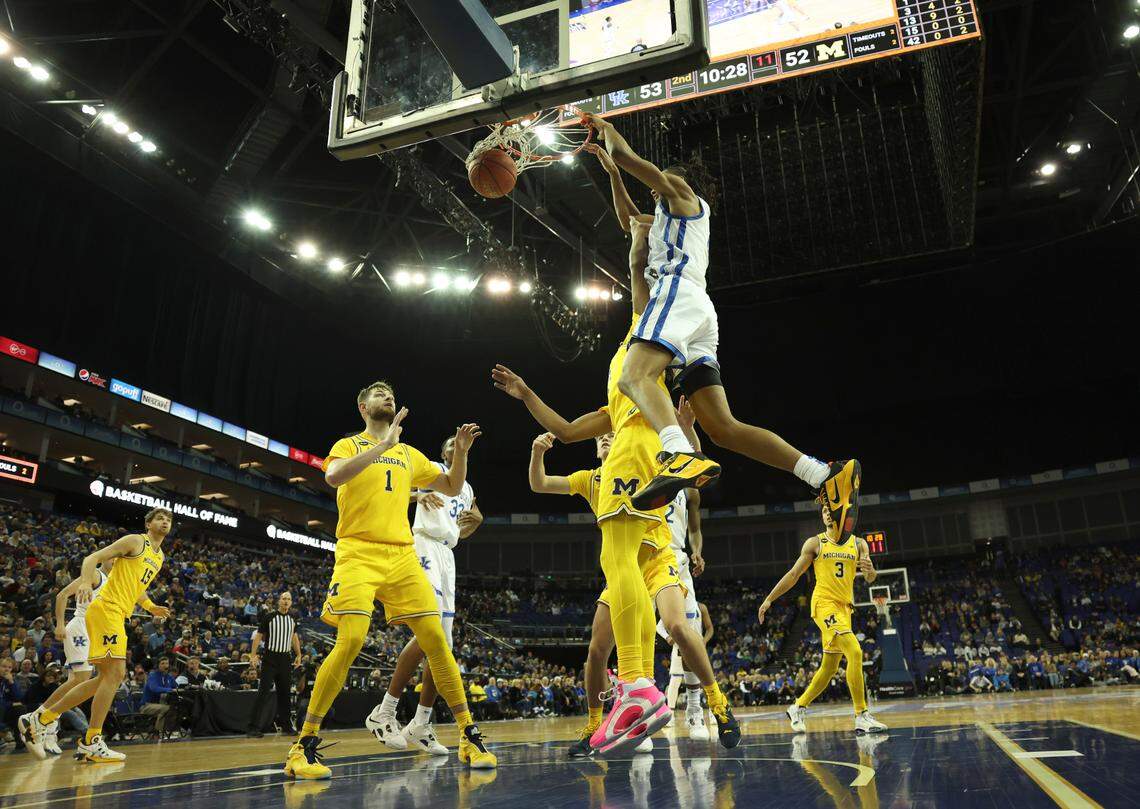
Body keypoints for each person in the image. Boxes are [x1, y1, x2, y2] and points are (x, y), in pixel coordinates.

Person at [494, 146, 737, 757]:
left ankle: (642, 687)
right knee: (622, 573)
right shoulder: (624, 374)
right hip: (645, 484)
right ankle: (631, 693)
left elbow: (635, 265)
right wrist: (526, 395)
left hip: (635, 461)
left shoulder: (645, 336)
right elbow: (570, 431)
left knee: (620, 567)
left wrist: (626, 206)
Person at [582, 113, 861, 541]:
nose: (656, 189)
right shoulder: (664, 220)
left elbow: (628, 154)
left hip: (676, 296)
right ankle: (823, 475)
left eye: (660, 182)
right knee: (722, 428)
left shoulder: (683, 195)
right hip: (698, 314)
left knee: (632, 376)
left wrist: (606, 129)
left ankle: (677, 452)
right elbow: (629, 221)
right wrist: (612, 175)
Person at [283, 382, 495, 781]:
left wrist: (462, 455)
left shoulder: (409, 454)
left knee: (437, 639)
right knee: (351, 640)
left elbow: (450, 486)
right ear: (363, 406)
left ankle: (468, 734)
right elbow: (332, 477)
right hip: (358, 551)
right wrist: (382, 445)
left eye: (391, 394)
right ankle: (303, 745)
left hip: (401, 555)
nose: (388, 397)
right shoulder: (348, 445)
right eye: (379, 394)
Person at [18, 507, 173, 762]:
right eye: (160, 518)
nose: (165, 521)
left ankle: (42, 718)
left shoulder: (160, 557)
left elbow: (137, 589)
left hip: (118, 614)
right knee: (115, 674)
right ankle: (90, 740)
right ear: (148, 524)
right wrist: (83, 582)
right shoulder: (136, 541)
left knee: (104, 679)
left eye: (168, 519)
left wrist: (150, 606)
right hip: (105, 610)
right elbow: (93, 558)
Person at [368, 435, 484, 757]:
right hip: (424, 546)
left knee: (442, 645)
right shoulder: (432, 470)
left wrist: (478, 522)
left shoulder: (468, 488)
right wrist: (418, 494)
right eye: (449, 443)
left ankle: (420, 722)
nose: (454, 446)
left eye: (458, 444)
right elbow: (392, 489)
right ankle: (385, 709)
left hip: (447, 554)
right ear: (444, 451)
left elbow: (462, 528)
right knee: (429, 633)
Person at [757, 503, 887, 735]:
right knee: (855, 652)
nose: (827, 514)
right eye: (824, 511)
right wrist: (769, 599)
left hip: (845, 608)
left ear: (842, 514)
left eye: (831, 511)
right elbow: (794, 574)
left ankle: (797, 707)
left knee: (828, 668)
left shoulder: (859, 543)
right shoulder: (815, 543)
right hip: (823, 605)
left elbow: (870, 578)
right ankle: (861, 715)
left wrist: (870, 569)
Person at [26, 556, 113, 757]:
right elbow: (62, 595)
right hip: (80, 626)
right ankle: (42, 719)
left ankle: (45, 724)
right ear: (104, 560)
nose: (117, 562)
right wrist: (59, 624)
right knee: (84, 679)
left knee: (77, 681)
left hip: (93, 631)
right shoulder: (94, 574)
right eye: (113, 559)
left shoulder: (112, 580)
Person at [247, 591, 301, 737]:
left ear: (291, 602)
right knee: (263, 692)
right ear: (279, 601)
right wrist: (253, 655)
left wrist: (299, 654)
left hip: (285, 659)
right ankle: (253, 727)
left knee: (285, 694)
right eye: (283, 598)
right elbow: (258, 636)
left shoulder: (292, 618)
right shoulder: (269, 617)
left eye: (288, 599)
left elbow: (294, 637)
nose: (286, 601)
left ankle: (286, 727)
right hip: (270, 659)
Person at [141, 656, 176, 734]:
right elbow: (154, 688)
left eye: (167, 663)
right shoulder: (152, 675)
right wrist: (169, 689)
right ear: (158, 666)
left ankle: (166, 730)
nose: (165, 665)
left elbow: (176, 687)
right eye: (162, 663)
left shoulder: (169, 677)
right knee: (167, 708)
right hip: (146, 705)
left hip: (161, 704)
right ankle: (158, 732)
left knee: (175, 708)